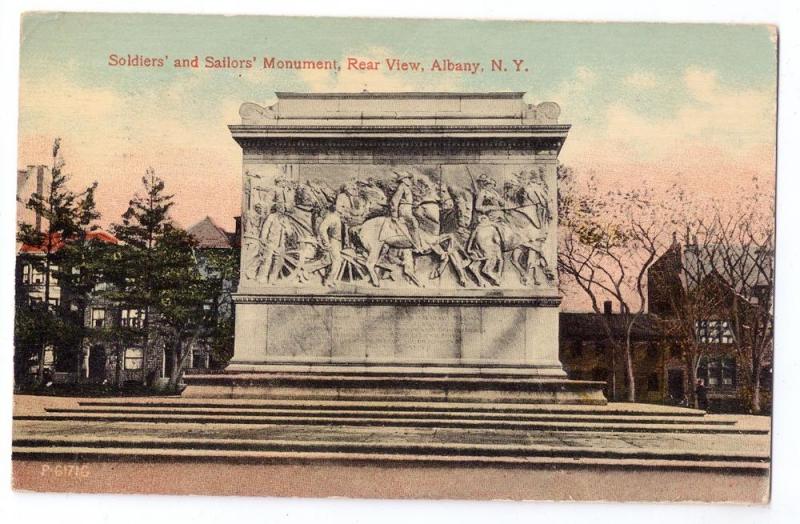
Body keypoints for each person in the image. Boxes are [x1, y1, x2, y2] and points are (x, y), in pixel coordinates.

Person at [389, 170, 421, 250]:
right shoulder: (402, 186)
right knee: (413, 223)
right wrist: (394, 215)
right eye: (408, 178)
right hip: (403, 211)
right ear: (403, 179)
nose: (410, 180)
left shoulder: (407, 187)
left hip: (408, 209)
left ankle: (417, 244)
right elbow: (394, 201)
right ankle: (416, 246)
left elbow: (407, 200)